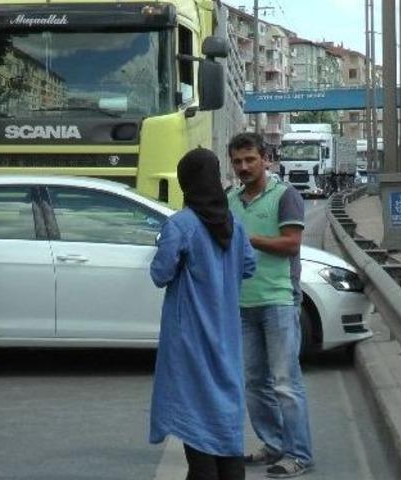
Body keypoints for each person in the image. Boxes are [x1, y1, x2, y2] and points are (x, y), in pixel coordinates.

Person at [149, 148, 256, 480]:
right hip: (225, 334)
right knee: (224, 414)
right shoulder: (233, 225)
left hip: (190, 338)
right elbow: (249, 266)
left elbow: (160, 273)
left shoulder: (181, 224)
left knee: (194, 414)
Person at [226, 132, 314, 478]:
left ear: (266, 159)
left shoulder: (285, 195)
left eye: (250, 159)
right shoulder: (230, 198)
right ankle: (274, 445)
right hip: (242, 303)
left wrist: (247, 240)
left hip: (278, 300)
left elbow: (292, 243)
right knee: (254, 382)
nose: (244, 167)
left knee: (285, 383)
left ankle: (299, 454)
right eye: (237, 161)